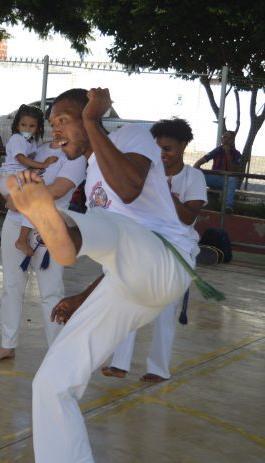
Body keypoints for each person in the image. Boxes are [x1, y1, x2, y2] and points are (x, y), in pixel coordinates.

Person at [6, 88, 198, 462]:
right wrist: (82, 298)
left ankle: (59, 228)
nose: (55, 131)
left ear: (88, 114)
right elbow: (117, 247)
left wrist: (94, 120)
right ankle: (60, 231)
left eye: (63, 121)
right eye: (52, 124)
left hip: (167, 259)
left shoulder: (131, 135)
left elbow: (128, 190)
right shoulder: (90, 175)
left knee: (106, 224)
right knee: (51, 382)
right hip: (127, 281)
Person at [102, 118, 206, 383]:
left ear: (183, 146)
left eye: (168, 149)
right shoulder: (146, 173)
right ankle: (119, 363)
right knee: (128, 300)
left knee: (164, 310)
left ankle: (158, 369)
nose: (162, 155)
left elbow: (187, 218)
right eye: (158, 148)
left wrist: (166, 194)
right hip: (143, 246)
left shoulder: (193, 177)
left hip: (176, 252)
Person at [0, 135, 85, 363]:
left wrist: (18, 199)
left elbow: (57, 191)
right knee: (11, 285)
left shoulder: (74, 157)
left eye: (64, 121)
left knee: (51, 291)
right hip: (15, 222)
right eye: (55, 121)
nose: (59, 128)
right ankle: (7, 344)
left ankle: (57, 351)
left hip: (49, 225)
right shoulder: (35, 150)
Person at [0, 104, 59, 257]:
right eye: (23, 125)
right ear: (17, 125)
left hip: (16, 178)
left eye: (32, 126)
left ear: (38, 128)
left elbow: (41, 148)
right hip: (12, 176)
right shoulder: (17, 139)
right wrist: (43, 164)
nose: (27, 129)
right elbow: (21, 159)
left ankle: (13, 202)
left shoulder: (32, 141)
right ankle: (22, 239)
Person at [193, 130, 241, 213]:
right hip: (214, 179)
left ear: (233, 141)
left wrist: (228, 153)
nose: (226, 140)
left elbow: (232, 171)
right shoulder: (217, 150)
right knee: (197, 174)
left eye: (229, 138)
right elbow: (199, 162)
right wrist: (196, 170)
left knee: (233, 179)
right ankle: (195, 201)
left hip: (226, 181)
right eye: (224, 137)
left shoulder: (237, 154)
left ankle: (228, 207)